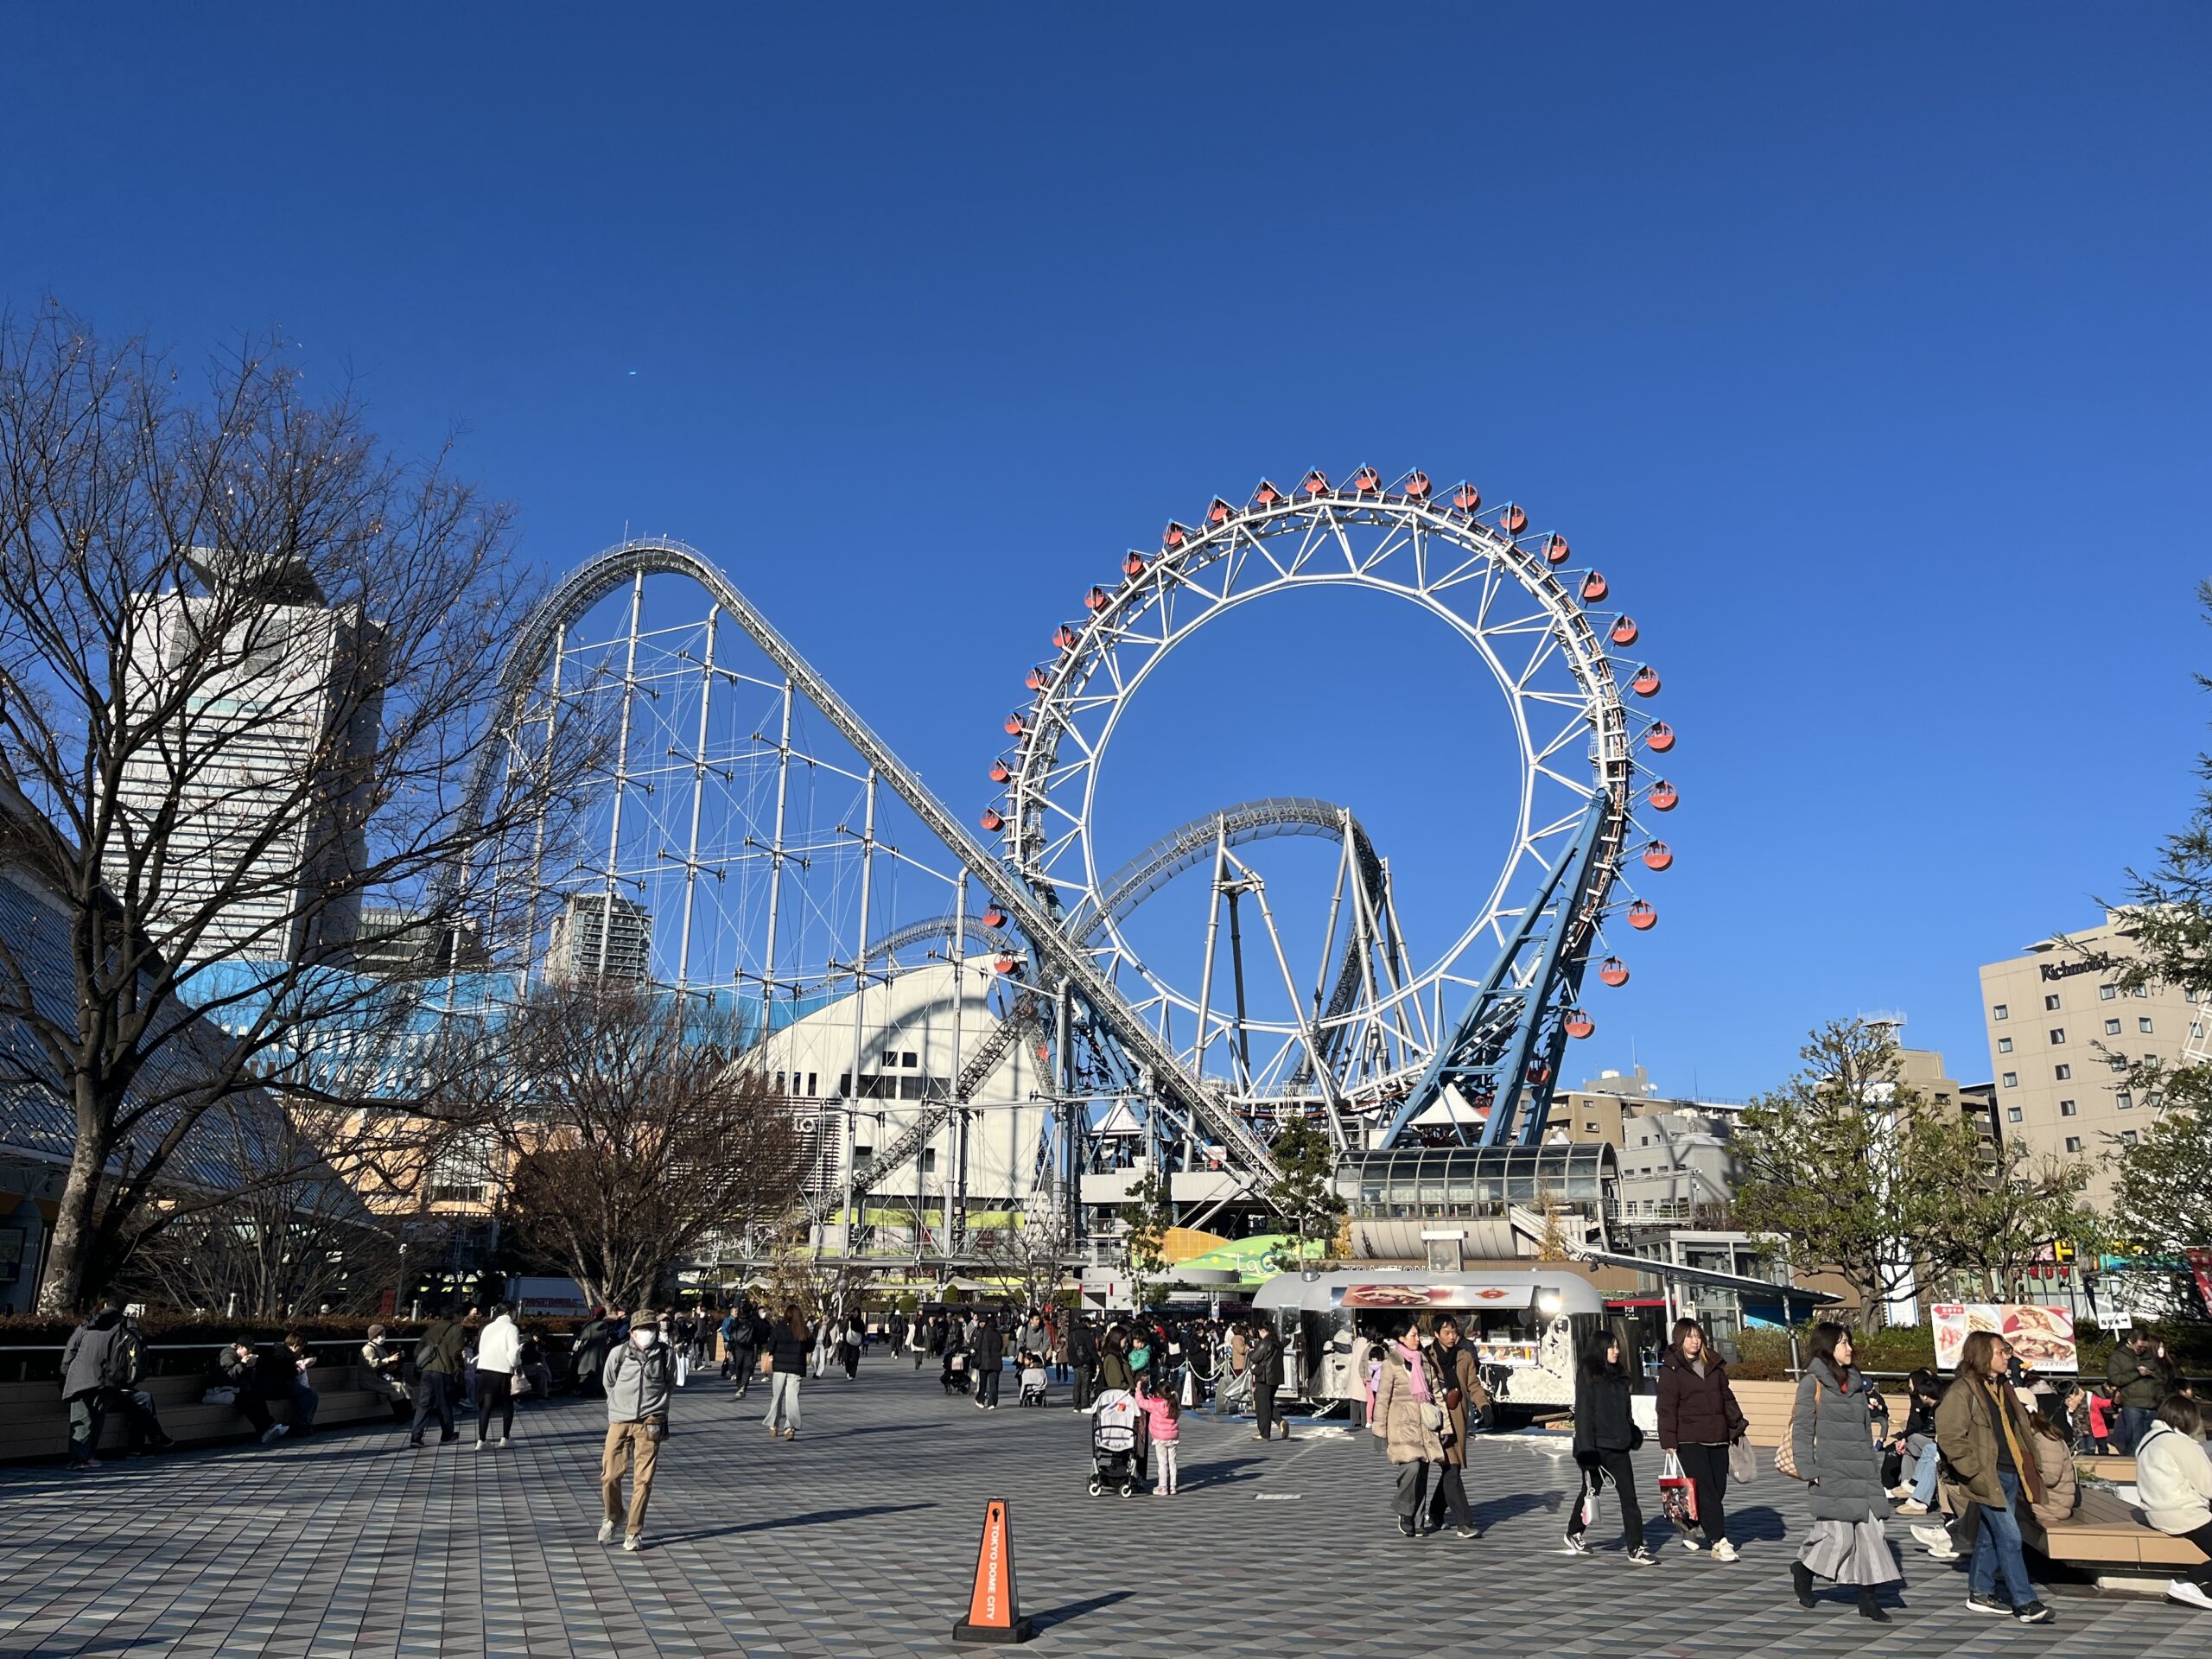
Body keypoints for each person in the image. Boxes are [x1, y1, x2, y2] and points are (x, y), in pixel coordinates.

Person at [1934, 1328, 2054, 1624]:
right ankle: (2025, 1601)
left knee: (1990, 1535)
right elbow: (1949, 1436)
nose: (2006, 1357)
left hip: (2011, 1471)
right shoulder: (1963, 1391)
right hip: (1987, 1475)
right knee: (2010, 1537)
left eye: (2006, 1351)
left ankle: (1981, 1592)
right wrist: (1973, 1471)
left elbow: (2017, 1430)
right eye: (2001, 1352)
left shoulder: (2004, 1387)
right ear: (1983, 1355)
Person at [1788, 1322, 1901, 1620]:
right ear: (1827, 1348)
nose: (1849, 1348)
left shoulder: (1856, 1381)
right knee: (1839, 1538)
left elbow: (1864, 1429)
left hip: (1862, 1470)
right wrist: (1808, 1468)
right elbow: (1802, 1429)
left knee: (1872, 1534)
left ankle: (1869, 1600)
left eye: (1849, 1342)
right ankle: (1804, 1569)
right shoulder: (1812, 1383)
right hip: (1832, 1471)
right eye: (1842, 1343)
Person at [1655, 1316, 1746, 1560]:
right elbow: (1666, 1407)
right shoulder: (1672, 1370)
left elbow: (1726, 1396)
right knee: (1706, 1490)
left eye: (1698, 1336)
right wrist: (1669, 1440)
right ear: (1679, 1340)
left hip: (1717, 1435)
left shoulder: (1713, 1364)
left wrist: (1737, 1425)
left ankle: (1688, 1522)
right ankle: (1719, 1541)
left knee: (1717, 1489)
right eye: (1689, 1337)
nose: (1695, 1341)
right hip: (1689, 1438)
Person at [1565, 1330, 1651, 1562]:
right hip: (1596, 1446)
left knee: (1629, 1498)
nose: (1616, 1351)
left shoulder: (1621, 1376)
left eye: (1617, 1347)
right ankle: (1574, 1531)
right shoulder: (1588, 1373)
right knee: (1590, 1492)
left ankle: (1636, 1547)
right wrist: (1586, 1451)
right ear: (1600, 1349)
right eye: (1611, 1347)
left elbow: (1626, 1411)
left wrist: (1631, 1431)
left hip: (1619, 1447)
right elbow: (1584, 1414)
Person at [598, 1307, 673, 1552]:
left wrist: (659, 1409)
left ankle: (633, 1531)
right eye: (641, 1329)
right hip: (620, 1420)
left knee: (644, 1479)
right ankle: (613, 1515)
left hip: (650, 1421)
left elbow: (669, 1383)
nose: (646, 1333)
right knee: (610, 1475)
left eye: (651, 1328)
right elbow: (608, 1381)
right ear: (632, 1332)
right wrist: (616, 1404)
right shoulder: (619, 1353)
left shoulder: (665, 1354)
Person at [2135, 1394, 2212, 1611]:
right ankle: (2188, 1581)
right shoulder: (2181, 1444)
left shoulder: (2148, 1440)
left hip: (2156, 1513)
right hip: (2185, 1514)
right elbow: (2208, 1487)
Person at [1372, 1320, 1448, 1539]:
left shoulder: (1424, 1361)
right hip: (1402, 1423)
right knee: (1412, 1468)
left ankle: (1417, 1520)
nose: (1418, 1339)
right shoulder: (1392, 1362)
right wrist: (1379, 1429)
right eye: (1413, 1335)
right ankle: (1404, 1511)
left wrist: (1446, 1427)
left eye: (1418, 1335)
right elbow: (1383, 1398)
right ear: (1401, 1338)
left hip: (1425, 1424)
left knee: (1423, 1471)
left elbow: (1437, 1395)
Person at [1425, 1316, 1490, 1540]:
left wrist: (1484, 1406)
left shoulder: (1464, 1356)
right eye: (1446, 1332)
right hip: (1437, 1421)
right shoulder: (1426, 1357)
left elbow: (1473, 1384)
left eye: (1454, 1332)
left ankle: (1435, 1512)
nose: (1452, 1337)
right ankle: (1464, 1523)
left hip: (1458, 1419)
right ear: (1436, 1334)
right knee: (1451, 1468)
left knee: (1451, 1469)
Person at [60, 1301, 126, 1469]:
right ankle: (88, 1457)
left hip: (79, 1378)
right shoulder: (122, 1327)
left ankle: (78, 1458)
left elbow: (70, 1351)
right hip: (106, 1380)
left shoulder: (86, 1324)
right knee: (97, 1418)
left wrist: (67, 1373)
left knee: (80, 1419)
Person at [409, 1305, 467, 1446]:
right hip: (443, 1370)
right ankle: (447, 1435)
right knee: (444, 1403)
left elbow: (417, 1350)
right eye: (460, 1315)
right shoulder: (457, 1329)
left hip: (426, 1370)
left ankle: (416, 1437)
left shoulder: (432, 1328)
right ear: (455, 1315)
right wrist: (459, 1368)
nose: (462, 1318)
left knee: (424, 1403)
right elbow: (455, 1352)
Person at [2106, 1329, 2171, 1452]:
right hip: (2133, 1405)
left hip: (2153, 1404)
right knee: (2134, 1442)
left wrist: (2160, 1397)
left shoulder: (2150, 1357)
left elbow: (2160, 1378)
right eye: (2139, 1346)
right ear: (2130, 1342)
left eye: (2145, 1347)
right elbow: (2114, 1379)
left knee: (2151, 1443)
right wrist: (2137, 1373)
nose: (2142, 1349)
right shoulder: (2117, 1357)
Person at [475, 1302, 521, 1448]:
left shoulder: (488, 1327)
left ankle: (481, 1441)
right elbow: (513, 1352)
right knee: (507, 1404)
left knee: (486, 1405)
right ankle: (505, 1438)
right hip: (503, 1370)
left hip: (486, 1369)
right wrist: (516, 1364)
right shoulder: (512, 1328)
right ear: (509, 1312)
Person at [762, 1306, 810, 1440]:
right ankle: (790, 1428)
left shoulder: (779, 1327)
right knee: (792, 1398)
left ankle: (773, 1425)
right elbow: (810, 1346)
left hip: (780, 1367)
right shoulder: (803, 1329)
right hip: (796, 1368)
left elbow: (770, 1345)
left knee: (777, 1397)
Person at [2024, 1412, 2078, 1529]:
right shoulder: (2037, 1437)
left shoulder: (2045, 1440)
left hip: (2052, 1505)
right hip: (2048, 1501)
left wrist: (2023, 1472)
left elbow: (2050, 1478)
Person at [1135, 1369, 1182, 1496]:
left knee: (1162, 1463)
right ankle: (1173, 1486)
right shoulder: (1173, 1404)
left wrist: (1138, 1390)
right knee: (1172, 1462)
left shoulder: (1155, 1405)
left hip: (1160, 1438)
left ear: (1158, 1394)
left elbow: (1141, 1403)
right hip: (1172, 1437)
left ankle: (1163, 1487)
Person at [362, 1324, 411, 1421]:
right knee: (396, 1387)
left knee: (403, 1385)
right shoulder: (368, 1349)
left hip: (379, 1378)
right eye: (382, 1334)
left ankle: (406, 1414)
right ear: (375, 1336)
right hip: (370, 1380)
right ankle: (401, 1416)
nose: (384, 1337)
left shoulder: (379, 1347)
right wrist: (388, 1360)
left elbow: (385, 1363)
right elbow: (372, 1365)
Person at [1250, 1322, 1287, 1442]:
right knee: (1268, 1402)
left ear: (1263, 1331)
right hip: (1275, 1378)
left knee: (1262, 1406)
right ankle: (1280, 1421)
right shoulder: (1278, 1343)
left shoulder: (1266, 1342)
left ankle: (1264, 1433)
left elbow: (1255, 1357)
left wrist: (1250, 1351)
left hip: (1264, 1377)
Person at [280, 1332, 320, 1435]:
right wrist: (300, 1369)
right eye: (301, 1347)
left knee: (312, 1395)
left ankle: (305, 1424)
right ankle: (299, 1426)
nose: (301, 1350)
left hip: (285, 1383)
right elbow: (288, 1373)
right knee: (309, 1395)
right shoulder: (283, 1354)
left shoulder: (286, 1353)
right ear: (295, 1346)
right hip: (282, 1384)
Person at [973, 1313, 1007, 1409]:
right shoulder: (998, 1334)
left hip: (984, 1362)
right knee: (993, 1384)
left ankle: (980, 1400)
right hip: (995, 1362)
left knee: (983, 1383)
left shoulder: (983, 1333)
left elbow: (976, 1346)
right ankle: (992, 1402)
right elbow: (1001, 1347)